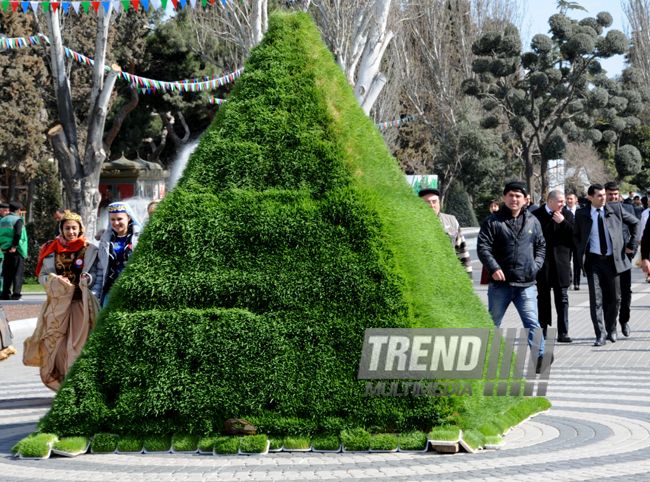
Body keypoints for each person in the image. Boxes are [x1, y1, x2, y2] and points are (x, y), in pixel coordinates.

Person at [23, 212, 102, 391]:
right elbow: (42, 276)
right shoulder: (51, 249)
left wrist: (87, 279)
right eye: (67, 228)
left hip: (80, 306)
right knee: (56, 345)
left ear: (80, 228)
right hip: (57, 307)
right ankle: (61, 382)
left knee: (77, 345)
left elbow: (96, 274)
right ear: (61, 229)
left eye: (74, 228)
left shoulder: (90, 249)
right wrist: (54, 282)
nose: (71, 232)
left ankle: (75, 384)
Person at [477, 181, 548, 371]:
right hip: (501, 285)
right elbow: (483, 248)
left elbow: (541, 245)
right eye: (510, 195)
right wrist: (493, 268)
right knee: (493, 322)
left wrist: (536, 265)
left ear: (525, 200)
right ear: (504, 198)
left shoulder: (533, 221)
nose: (514, 199)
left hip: (525, 283)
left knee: (532, 322)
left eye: (518, 196)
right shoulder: (492, 221)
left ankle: (541, 358)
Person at [573, 184, 639, 346]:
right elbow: (575, 235)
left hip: (613, 262)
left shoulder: (615, 209)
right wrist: (581, 249)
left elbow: (636, 223)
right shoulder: (582, 213)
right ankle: (600, 334)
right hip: (594, 261)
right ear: (590, 198)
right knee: (596, 299)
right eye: (600, 196)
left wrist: (631, 244)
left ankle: (612, 328)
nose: (604, 198)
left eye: (604, 195)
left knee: (615, 299)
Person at [532, 190, 574, 343]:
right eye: (561, 201)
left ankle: (563, 332)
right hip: (543, 264)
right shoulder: (536, 215)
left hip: (561, 264)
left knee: (562, 299)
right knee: (543, 299)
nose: (564, 204)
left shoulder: (567, 215)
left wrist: (563, 222)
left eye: (564, 201)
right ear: (550, 201)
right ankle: (542, 330)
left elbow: (574, 236)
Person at [604, 182, 638, 338]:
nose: (613, 197)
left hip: (624, 257)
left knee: (626, 293)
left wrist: (632, 247)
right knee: (609, 294)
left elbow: (636, 227)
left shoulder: (627, 209)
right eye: (610, 194)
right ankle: (610, 327)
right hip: (606, 258)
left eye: (615, 194)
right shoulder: (600, 210)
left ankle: (624, 320)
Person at [418, 189, 473, 278]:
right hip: (425, 277)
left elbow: (462, 250)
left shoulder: (451, 221)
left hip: (449, 276)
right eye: (427, 202)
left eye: (434, 202)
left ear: (439, 203)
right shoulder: (414, 224)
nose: (432, 205)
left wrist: (469, 277)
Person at [98, 202, 143, 307]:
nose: (116, 223)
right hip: (111, 290)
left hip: (133, 289)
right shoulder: (105, 240)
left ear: (129, 218)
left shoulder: (140, 238)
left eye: (119, 219)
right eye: (112, 220)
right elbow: (101, 267)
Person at [0, 202, 27, 301]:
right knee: (17, 273)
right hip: (16, 250)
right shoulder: (17, 219)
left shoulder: (3, 220)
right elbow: (18, 233)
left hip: (5, 249)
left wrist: (1, 246)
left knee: (7, 273)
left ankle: (5, 294)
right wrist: (15, 246)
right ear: (18, 210)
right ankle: (16, 294)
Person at [565, 193, 582, 290]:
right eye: (568, 198)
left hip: (577, 240)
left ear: (576, 200)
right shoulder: (562, 211)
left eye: (571, 199)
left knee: (577, 261)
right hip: (566, 240)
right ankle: (569, 281)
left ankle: (576, 282)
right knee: (566, 261)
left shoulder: (580, 211)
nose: (569, 201)